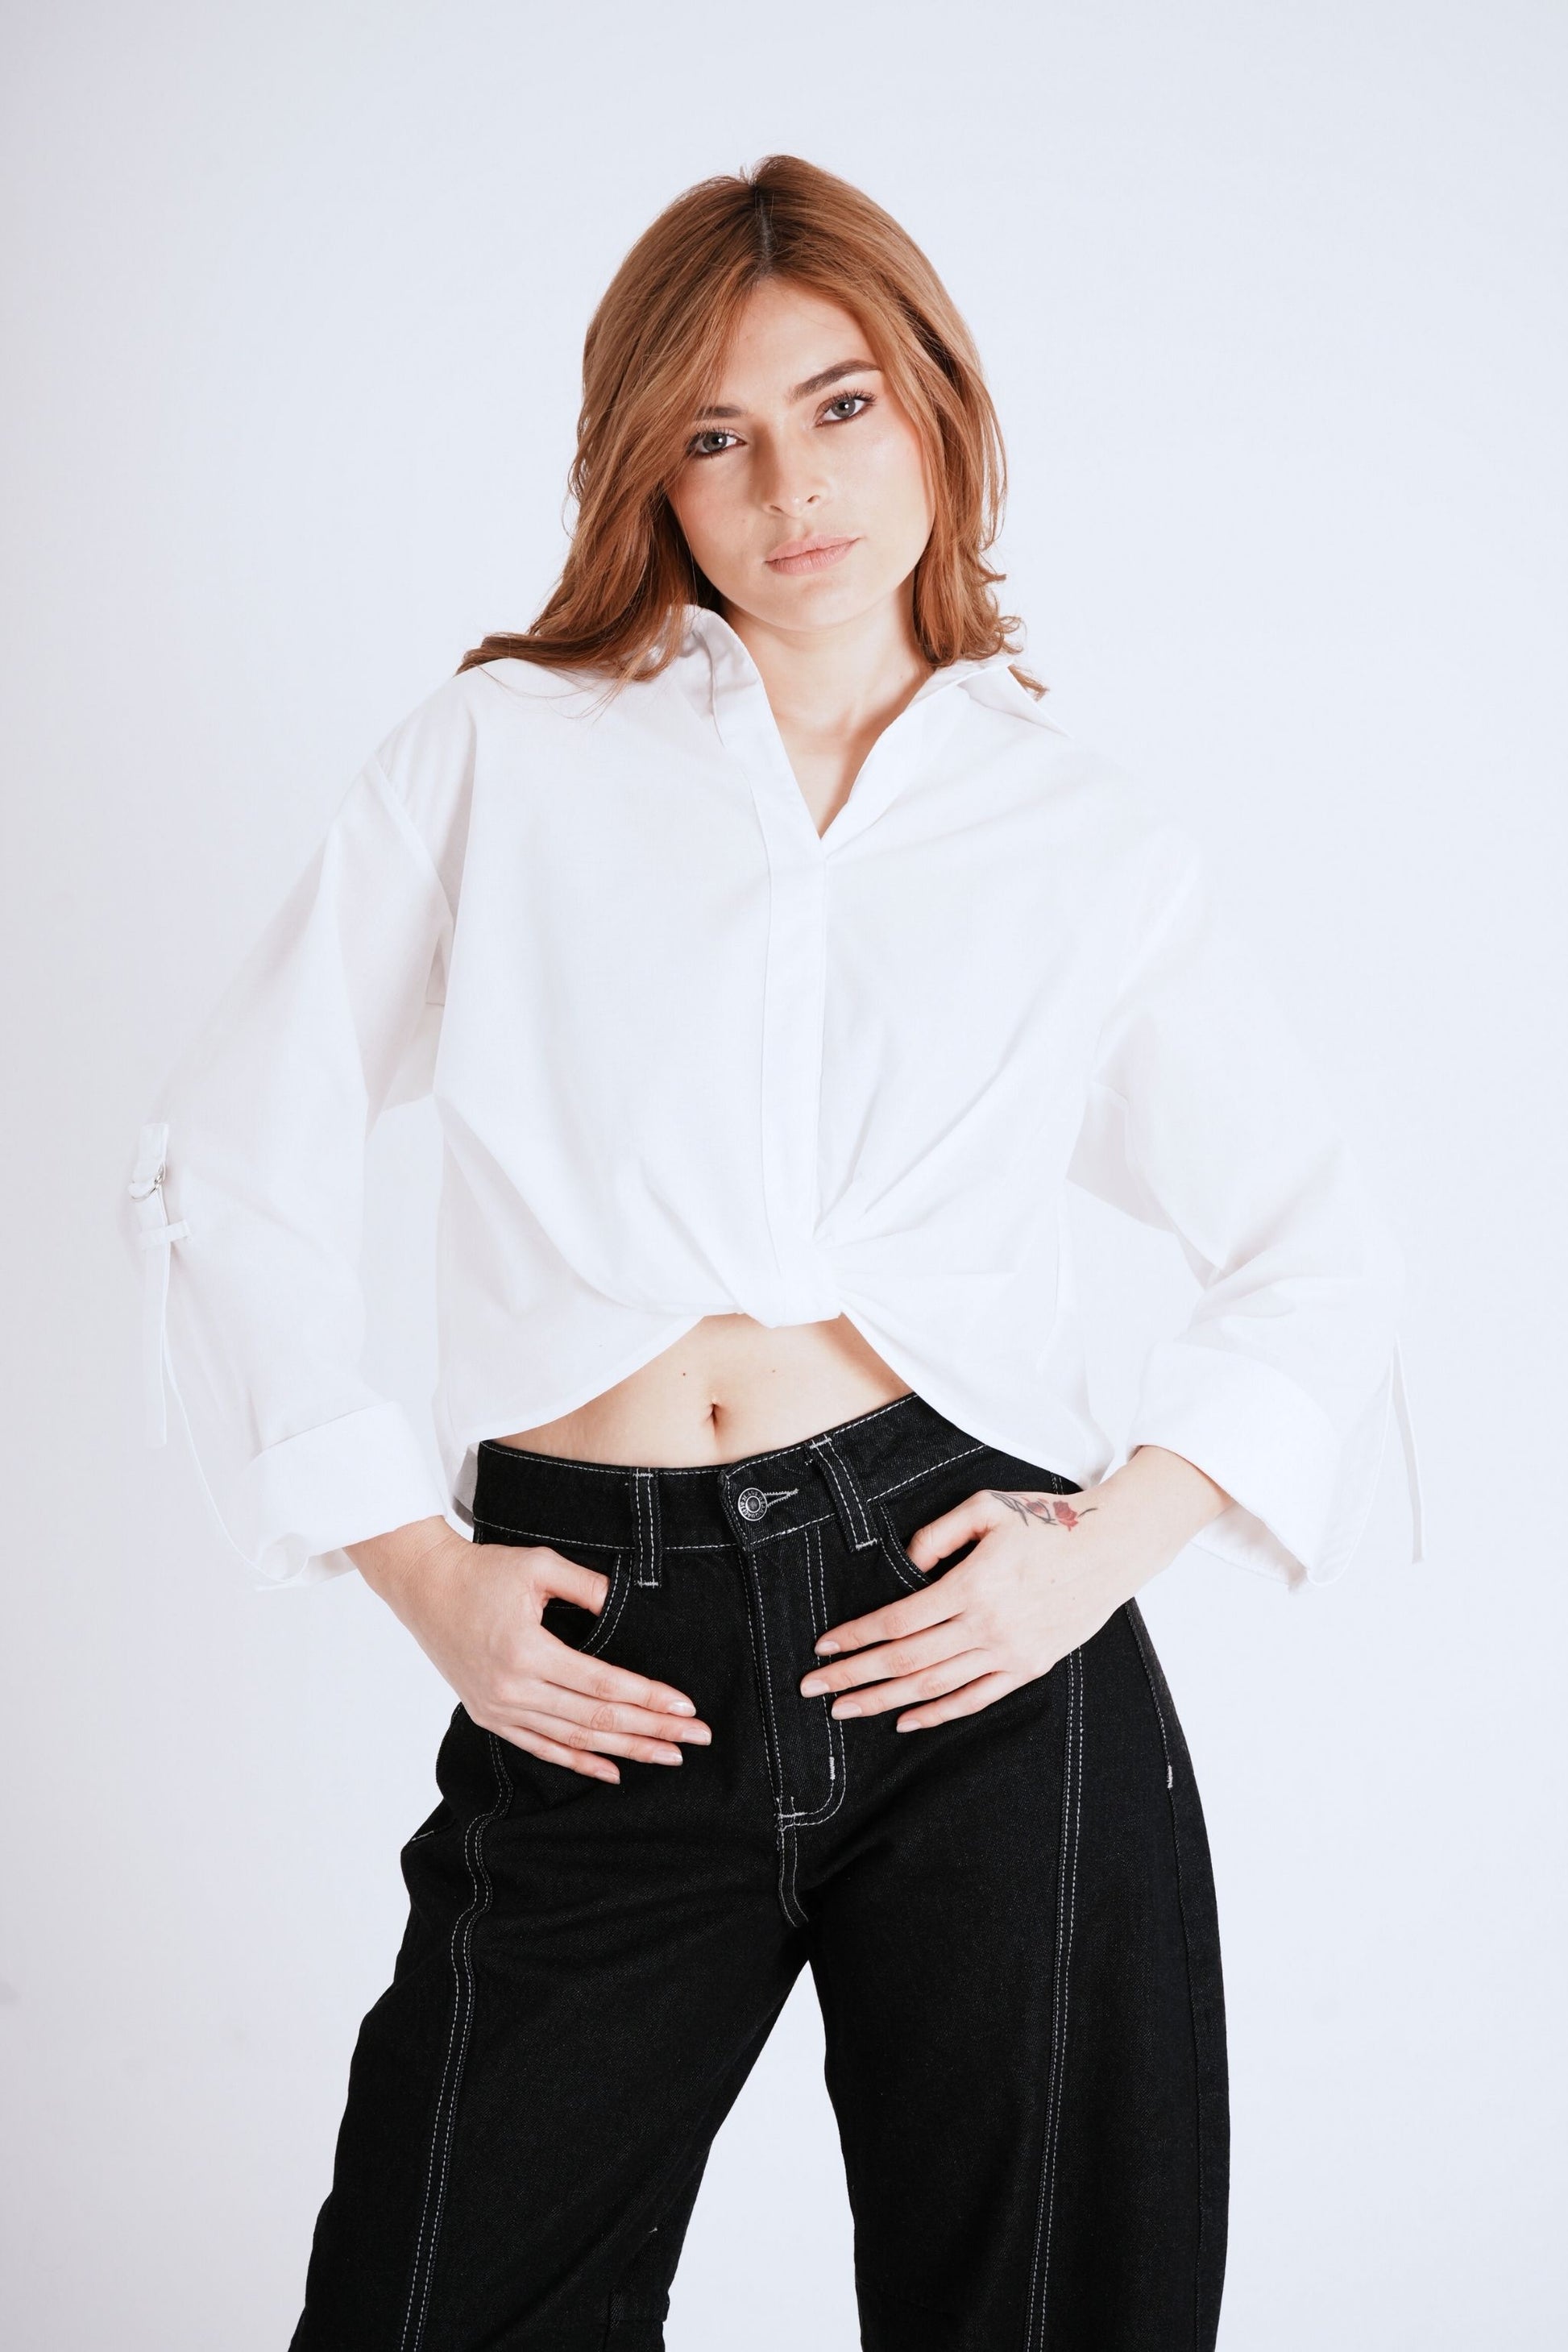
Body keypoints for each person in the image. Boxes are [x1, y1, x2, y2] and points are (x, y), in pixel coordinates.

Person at [127, 155, 1420, 2352]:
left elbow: (1319, 1247)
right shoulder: (505, 754)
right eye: (712, 435)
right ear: (647, 470)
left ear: (935, 409)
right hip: (595, 1655)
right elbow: (229, 1159)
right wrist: (415, 1568)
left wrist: (1097, 1555)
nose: (789, 488)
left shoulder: (1082, 834)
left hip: (972, 1636)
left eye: (838, 408)